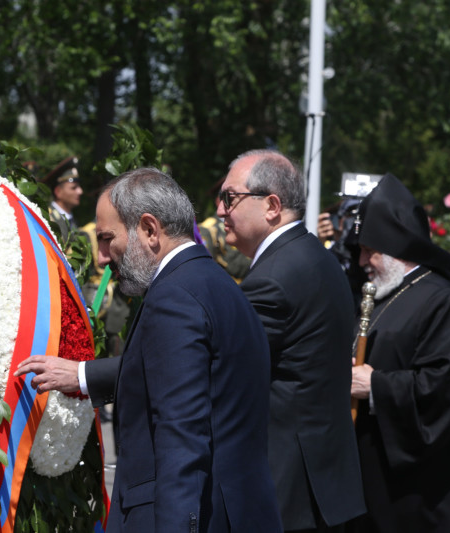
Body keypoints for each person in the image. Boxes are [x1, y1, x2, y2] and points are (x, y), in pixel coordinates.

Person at [20, 167, 282, 532]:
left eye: (107, 238)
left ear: (148, 229)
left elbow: (181, 438)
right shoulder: (215, 284)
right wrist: (82, 375)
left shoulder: (174, 298)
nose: (101, 257)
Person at [215, 149, 365, 532]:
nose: (219, 209)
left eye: (230, 197)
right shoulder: (312, 255)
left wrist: (87, 375)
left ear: (271, 205)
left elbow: (213, 363)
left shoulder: (276, 275)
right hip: (320, 482)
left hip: (287, 492)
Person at [347, 173, 450, 532]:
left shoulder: (444, 302)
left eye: (370, 250)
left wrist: (376, 386)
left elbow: (446, 387)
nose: (362, 262)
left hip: (422, 491)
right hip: (375, 476)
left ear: (396, 245)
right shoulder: (385, 295)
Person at [42, 156, 83, 240]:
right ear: (58, 192)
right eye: (74, 188)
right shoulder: (47, 218)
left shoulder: (72, 220)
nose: (80, 191)